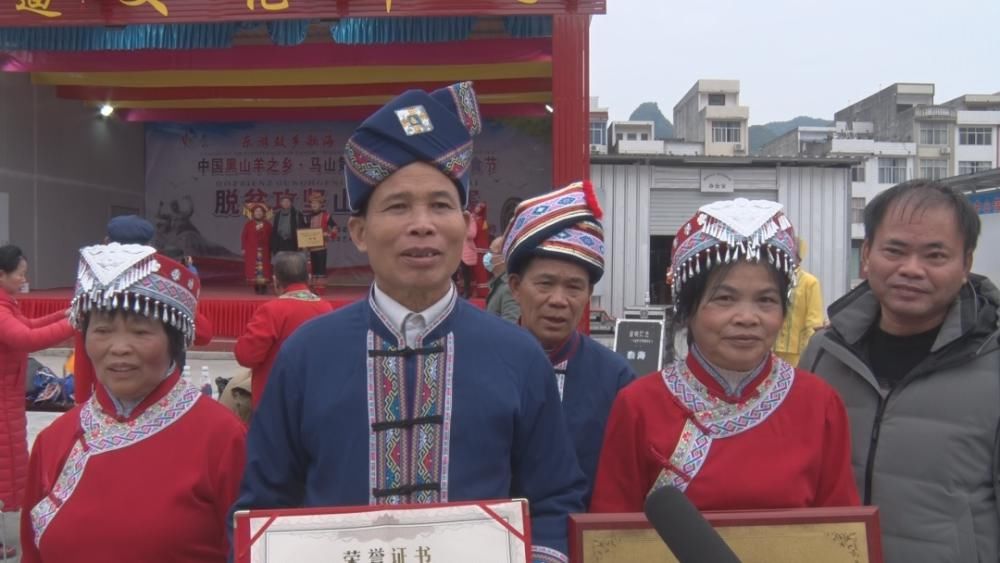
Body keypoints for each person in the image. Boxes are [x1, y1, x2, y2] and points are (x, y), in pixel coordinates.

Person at [234, 82, 586, 563]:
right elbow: (264, 502)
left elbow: (552, 499)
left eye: (441, 205)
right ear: (358, 232)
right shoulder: (307, 353)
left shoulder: (518, 355)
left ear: (465, 226)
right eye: (398, 206)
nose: (422, 224)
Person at [591, 198, 859, 513]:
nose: (747, 317)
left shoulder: (820, 404)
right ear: (687, 309)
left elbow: (841, 532)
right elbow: (610, 534)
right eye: (725, 298)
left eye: (766, 300)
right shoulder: (639, 405)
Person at [800, 180, 1000, 563]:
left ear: (966, 265)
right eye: (895, 250)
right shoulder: (824, 355)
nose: (911, 269)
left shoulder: (992, 361)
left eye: (935, 256)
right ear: (867, 255)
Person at [19, 243, 246, 562]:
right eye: (102, 331)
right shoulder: (53, 441)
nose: (119, 347)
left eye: (140, 332)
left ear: (174, 341)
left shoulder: (222, 437)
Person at [502, 181, 636, 507]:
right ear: (516, 287)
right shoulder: (484, 363)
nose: (559, 300)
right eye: (545, 284)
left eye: (574, 287)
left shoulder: (616, 378)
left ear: (589, 295)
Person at [0, 245, 74, 559]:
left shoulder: (7, 304)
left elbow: (28, 326)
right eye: (20, 273)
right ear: (1, 274)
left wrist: (65, 313)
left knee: (13, 469)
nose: (24, 279)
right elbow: (26, 339)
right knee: (8, 472)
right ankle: (8, 545)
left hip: (9, 399)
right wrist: (74, 324)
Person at [233, 251, 333, 409]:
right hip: (313, 398)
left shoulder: (272, 310)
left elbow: (246, 356)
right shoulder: (325, 307)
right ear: (307, 278)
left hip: (275, 402)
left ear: (275, 281)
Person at [774, 238, 824, 366]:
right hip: (770, 349)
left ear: (798, 257)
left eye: (790, 252)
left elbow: (814, 321)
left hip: (797, 352)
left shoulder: (810, 282)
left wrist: (810, 351)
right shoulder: (773, 279)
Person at [300, 192, 339, 294]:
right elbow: (304, 231)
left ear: (320, 205)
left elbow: (335, 228)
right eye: (312, 204)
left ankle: (320, 289)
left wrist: (327, 234)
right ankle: (313, 288)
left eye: (316, 203)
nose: (314, 205)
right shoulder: (308, 217)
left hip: (321, 247)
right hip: (311, 248)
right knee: (312, 268)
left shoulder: (326, 216)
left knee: (320, 268)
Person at [484, 236, 520, 323]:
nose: (487, 255)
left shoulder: (509, 288)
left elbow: (511, 327)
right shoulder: (497, 283)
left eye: (491, 252)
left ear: (503, 257)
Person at [241, 202, 273, 295]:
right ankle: (256, 285)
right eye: (256, 211)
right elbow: (244, 236)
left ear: (263, 213)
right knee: (254, 269)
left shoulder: (268, 225)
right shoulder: (249, 224)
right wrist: (243, 248)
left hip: (265, 250)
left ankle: (264, 286)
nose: (258, 213)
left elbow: (271, 237)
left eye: (260, 211)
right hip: (252, 250)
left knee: (264, 269)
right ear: (253, 213)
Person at [471, 201, 491, 297]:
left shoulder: (480, 221)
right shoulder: (479, 220)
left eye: (480, 207)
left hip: (478, 250)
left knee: (480, 271)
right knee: (477, 272)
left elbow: (476, 234)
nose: (477, 209)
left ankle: (481, 292)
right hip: (477, 249)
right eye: (477, 206)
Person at [458, 209, 478, 298]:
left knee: (466, 272)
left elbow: (472, 234)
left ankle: (467, 292)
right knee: (453, 273)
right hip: (455, 250)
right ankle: (456, 291)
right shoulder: (455, 218)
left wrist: (463, 230)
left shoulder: (470, 219)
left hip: (466, 250)